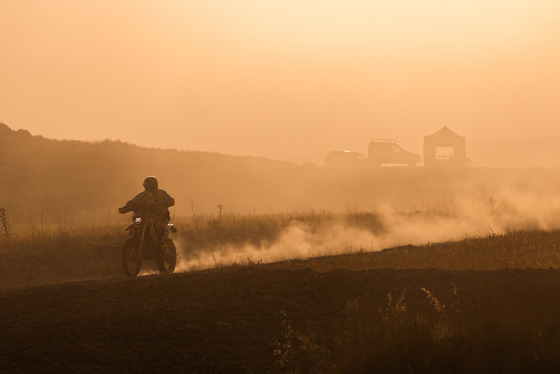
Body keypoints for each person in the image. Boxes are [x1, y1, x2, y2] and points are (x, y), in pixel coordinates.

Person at [118, 176, 175, 248]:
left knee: (158, 226)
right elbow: (132, 202)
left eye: (150, 186)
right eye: (147, 187)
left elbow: (171, 200)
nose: (148, 188)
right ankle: (138, 243)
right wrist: (125, 208)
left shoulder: (161, 194)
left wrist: (167, 203)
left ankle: (162, 247)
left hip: (160, 217)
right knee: (137, 224)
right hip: (145, 218)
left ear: (154, 186)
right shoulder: (142, 195)